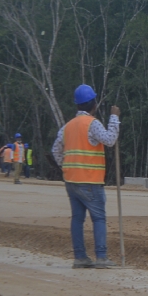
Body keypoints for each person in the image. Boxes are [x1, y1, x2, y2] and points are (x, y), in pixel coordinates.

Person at [51, 85, 120, 269]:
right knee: (98, 218)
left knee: (77, 219)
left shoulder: (67, 127)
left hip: (71, 180)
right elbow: (110, 139)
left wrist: (66, 166)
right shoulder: (92, 124)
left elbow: (56, 150)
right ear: (94, 104)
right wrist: (114, 118)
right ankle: (101, 257)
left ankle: (80, 257)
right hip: (90, 181)